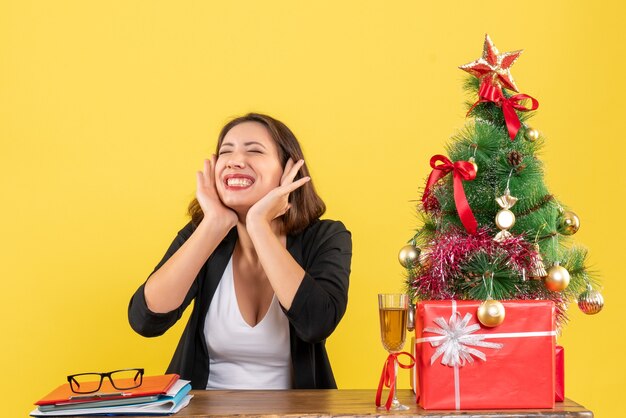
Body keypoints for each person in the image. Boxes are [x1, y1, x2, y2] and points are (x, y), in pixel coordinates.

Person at [128, 113, 352, 390]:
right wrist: (213, 225)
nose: (235, 160)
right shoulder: (204, 233)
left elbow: (316, 323)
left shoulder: (326, 236)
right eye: (226, 152)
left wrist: (259, 225)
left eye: (254, 150)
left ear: (289, 169)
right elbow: (146, 320)